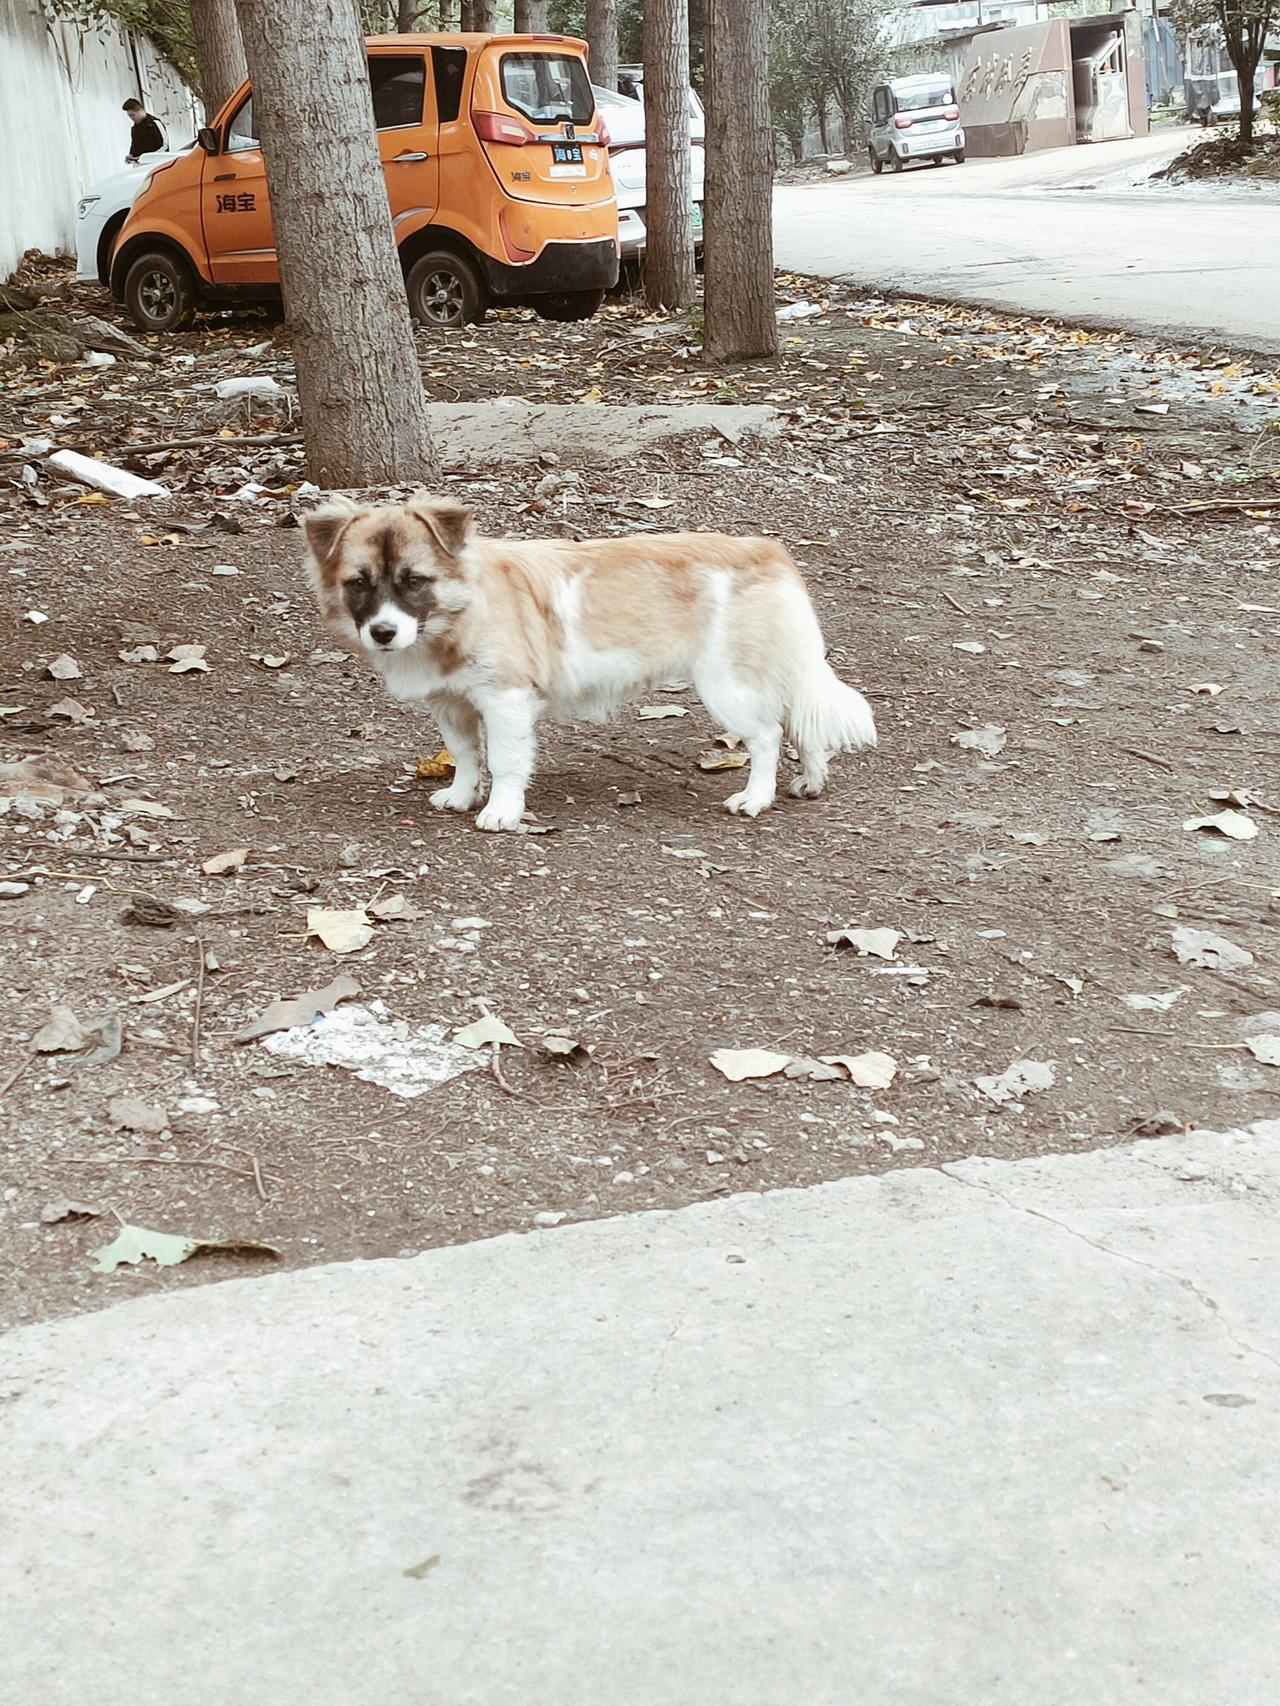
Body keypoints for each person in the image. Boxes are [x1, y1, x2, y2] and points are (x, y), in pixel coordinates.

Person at [123, 98, 165, 165]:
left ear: (140, 111)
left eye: (132, 115)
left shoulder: (155, 123)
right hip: (140, 167)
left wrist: (145, 158)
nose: (131, 118)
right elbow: (135, 148)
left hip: (157, 164)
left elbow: (164, 146)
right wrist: (131, 157)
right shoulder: (134, 129)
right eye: (129, 116)